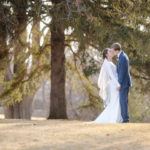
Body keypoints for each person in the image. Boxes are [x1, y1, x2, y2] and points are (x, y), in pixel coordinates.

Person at [91, 48, 123, 123]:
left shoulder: (110, 62)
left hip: (115, 83)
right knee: (115, 101)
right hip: (113, 85)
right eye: (109, 51)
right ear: (106, 54)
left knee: (116, 101)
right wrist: (118, 84)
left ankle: (117, 118)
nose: (111, 52)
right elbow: (111, 75)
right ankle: (113, 118)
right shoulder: (106, 64)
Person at [111, 43, 131, 123]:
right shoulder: (121, 56)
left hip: (124, 83)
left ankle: (125, 119)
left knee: (123, 101)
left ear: (116, 50)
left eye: (112, 50)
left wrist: (119, 84)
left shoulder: (122, 57)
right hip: (124, 83)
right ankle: (125, 118)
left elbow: (122, 72)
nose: (112, 52)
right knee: (123, 101)